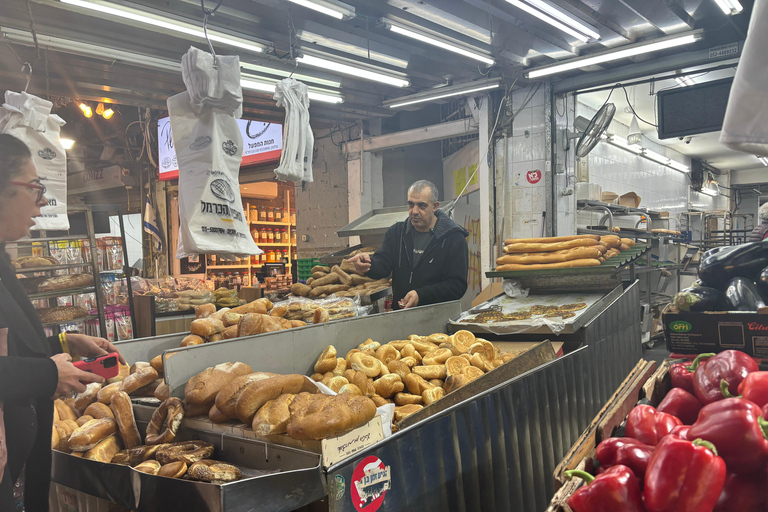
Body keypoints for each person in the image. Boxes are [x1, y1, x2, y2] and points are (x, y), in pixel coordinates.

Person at [0, 134, 125, 511]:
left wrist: (64, 345)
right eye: (34, 187)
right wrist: (47, 375)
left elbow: (9, 348)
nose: (41, 202)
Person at [348, 180, 469, 309]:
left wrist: (421, 296)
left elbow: (457, 286)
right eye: (411, 204)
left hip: (437, 315)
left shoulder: (453, 237)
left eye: (422, 206)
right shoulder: (397, 233)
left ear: (435, 206)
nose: (414, 211)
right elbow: (383, 265)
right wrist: (368, 265)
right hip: (402, 314)